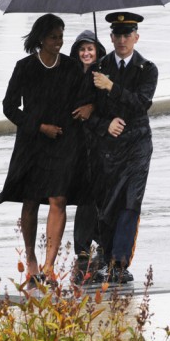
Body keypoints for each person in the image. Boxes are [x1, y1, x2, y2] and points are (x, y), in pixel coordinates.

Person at [0, 14, 88, 287]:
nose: (59, 42)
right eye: (53, 37)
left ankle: (49, 266)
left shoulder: (72, 67)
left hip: (64, 142)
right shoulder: (24, 67)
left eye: (61, 36)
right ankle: (32, 260)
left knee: (58, 199)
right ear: (40, 39)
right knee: (31, 201)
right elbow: (9, 107)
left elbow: (83, 99)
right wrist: (39, 126)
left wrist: (89, 105)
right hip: (32, 143)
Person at [83, 12, 158, 283]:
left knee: (130, 202)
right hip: (108, 147)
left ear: (136, 37)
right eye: (118, 35)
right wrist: (106, 125)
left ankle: (119, 263)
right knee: (109, 203)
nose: (123, 40)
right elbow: (86, 112)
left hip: (137, 145)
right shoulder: (99, 68)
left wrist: (111, 86)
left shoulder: (146, 69)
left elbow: (141, 104)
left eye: (128, 35)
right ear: (111, 38)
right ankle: (106, 255)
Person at [68, 30, 107, 284]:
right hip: (76, 142)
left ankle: (102, 241)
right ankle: (82, 247)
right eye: (82, 49)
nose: (86, 53)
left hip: (99, 142)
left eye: (90, 49)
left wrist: (93, 107)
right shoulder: (70, 75)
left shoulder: (103, 75)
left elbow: (108, 104)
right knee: (84, 197)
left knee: (100, 196)